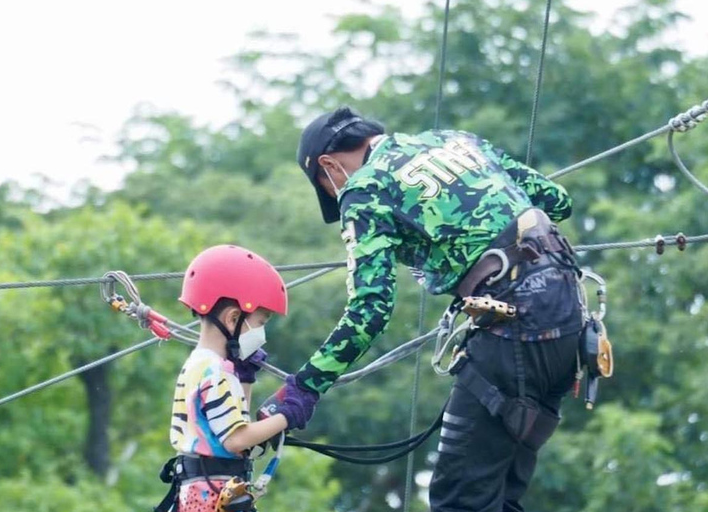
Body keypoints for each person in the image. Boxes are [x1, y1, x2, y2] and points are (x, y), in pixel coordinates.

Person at [258, 107, 584, 512]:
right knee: (497, 499)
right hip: (569, 322)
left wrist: (304, 388)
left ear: (328, 165)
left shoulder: (364, 189)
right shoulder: (455, 140)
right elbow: (557, 200)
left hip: (515, 330)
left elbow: (371, 308)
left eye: (328, 188)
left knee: (458, 501)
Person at [156, 244, 305, 512]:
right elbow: (236, 439)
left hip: (200, 493)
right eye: (260, 323)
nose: (261, 334)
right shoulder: (215, 371)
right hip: (210, 496)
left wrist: (245, 378)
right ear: (233, 318)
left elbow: (231, 423)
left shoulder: (201, 364)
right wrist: (288, 415)